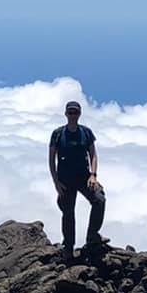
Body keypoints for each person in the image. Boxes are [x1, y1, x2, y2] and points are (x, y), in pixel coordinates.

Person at [48, 99, 106, 264]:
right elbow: (51, 160)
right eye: (70, 112)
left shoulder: (86, 133)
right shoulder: (58, 134)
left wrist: (93, 175)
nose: (73, 115)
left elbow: (93, 155)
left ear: (79, 114)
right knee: (68, 212)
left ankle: (92, 236)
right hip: (65, 180)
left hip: (84, 177)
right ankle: (68, 248)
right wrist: (56, 183)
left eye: (75, 112)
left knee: (99, 199)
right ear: (66, 114)